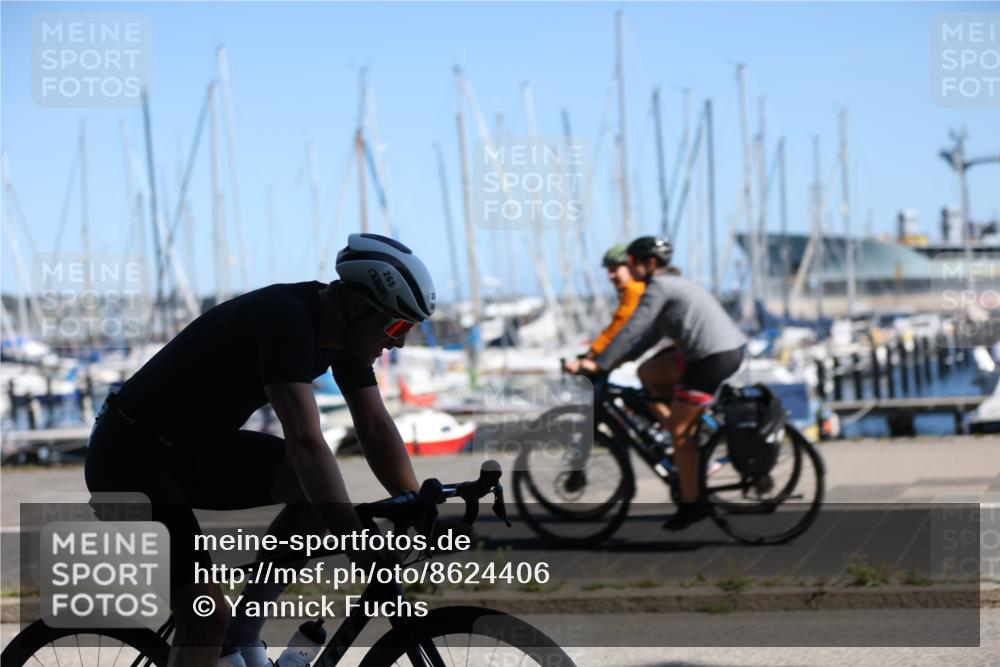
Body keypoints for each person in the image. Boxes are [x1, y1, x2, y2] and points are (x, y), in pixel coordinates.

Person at [85, 233, 470, 666]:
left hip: (191, 451)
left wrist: (415, 500)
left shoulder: (344, 333)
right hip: (131, 459)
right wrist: (358, 542)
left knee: (312, 496)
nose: (400, 342)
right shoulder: (286, 319)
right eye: (398, 326)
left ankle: (243, 631)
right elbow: (306, 441)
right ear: (361, 305)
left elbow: (375, 424)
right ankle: (222, 632)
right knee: (203, 618)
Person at [569, 236, 747, 530]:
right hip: (717, 352)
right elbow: (650, 335)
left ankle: (693, 503)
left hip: (710, 358)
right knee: (649, 374)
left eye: (631, 263)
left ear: (649, 264)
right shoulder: (672, 284)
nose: (627, 268)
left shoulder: (659, 288)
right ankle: (686, 439)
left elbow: (631, 329)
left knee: (679, 431)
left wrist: (599, 365)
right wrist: (620, 361)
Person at [565, 244, 646, 369]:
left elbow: (619, 326)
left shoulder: (634, 290)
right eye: (609, 271)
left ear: (630, 266)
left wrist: (592, 355)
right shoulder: (639, 288)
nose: (610, 276)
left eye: (615, 270)